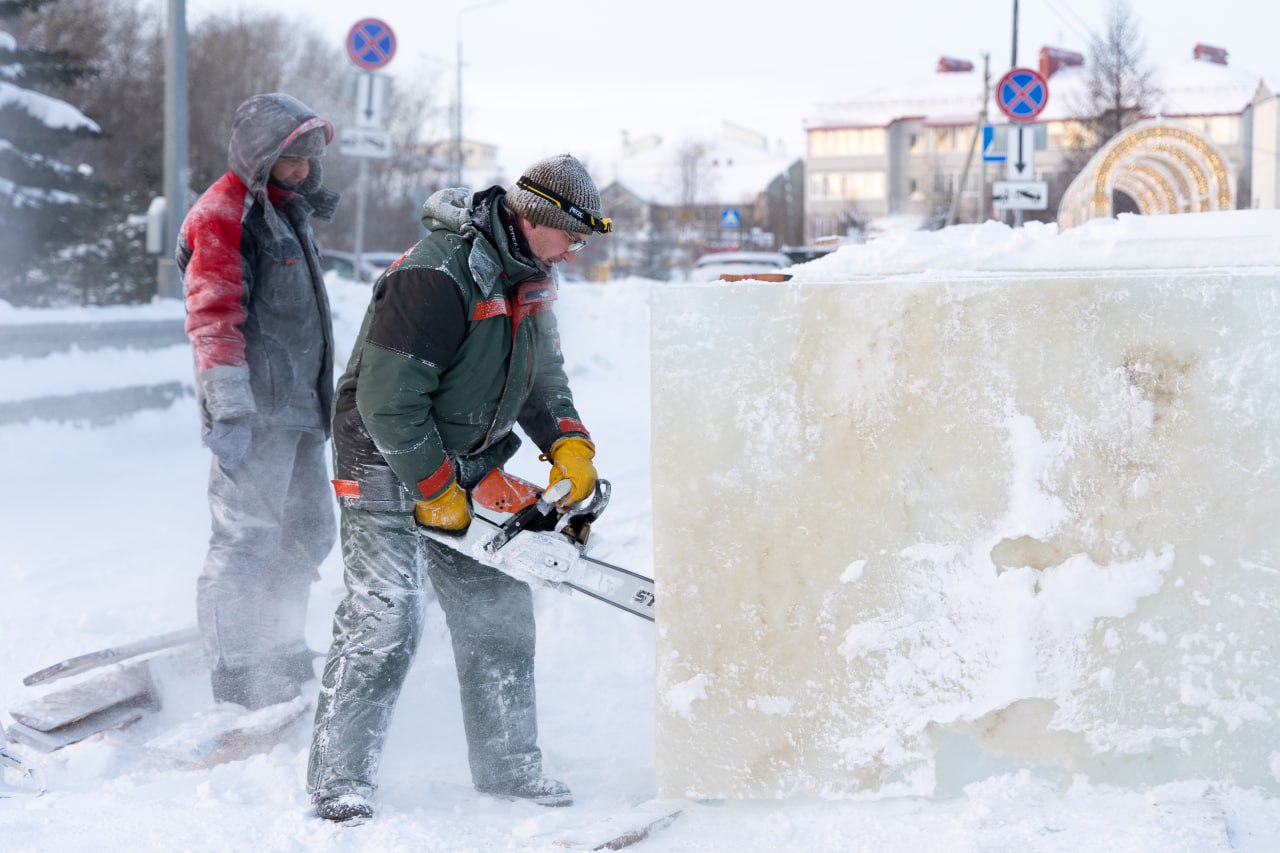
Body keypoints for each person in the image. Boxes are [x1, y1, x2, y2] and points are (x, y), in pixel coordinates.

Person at [306, 154, 611, 824]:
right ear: (539, 219)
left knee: (497, 610)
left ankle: (507, 767)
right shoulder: (436, 274)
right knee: (386, 617)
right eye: (574, 233)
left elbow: (542, 376)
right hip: (384, 454)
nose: (579, 248)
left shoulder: (533, 276)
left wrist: (567, 441)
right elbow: (388, 399)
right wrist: (433, 482)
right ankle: (338, 777)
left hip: (466, 453)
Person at [177, 92, 340, 711]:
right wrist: (230, 406)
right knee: (244, 538)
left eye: (309, 158)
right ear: (259, 153)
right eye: (289, 157)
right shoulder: (222, 214)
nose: (300, 169)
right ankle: (235, 670)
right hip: (254, 409)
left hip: (299, 407)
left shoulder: (284, 211)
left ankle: (282, 644)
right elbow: (212, 316)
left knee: (309, 531)